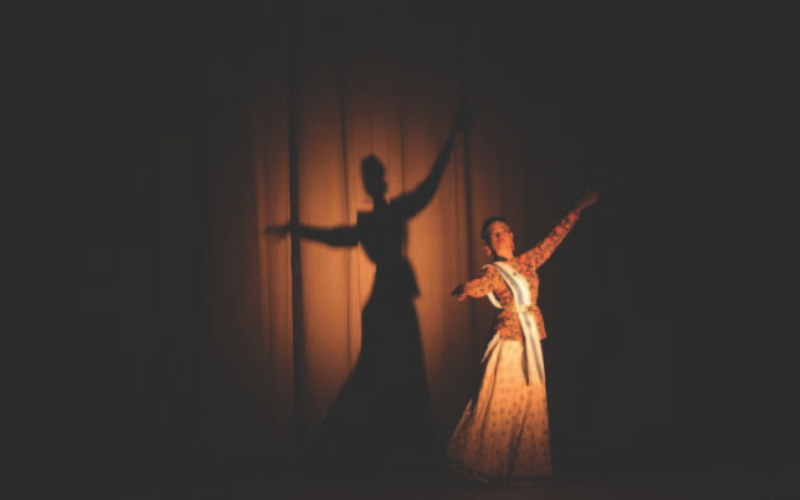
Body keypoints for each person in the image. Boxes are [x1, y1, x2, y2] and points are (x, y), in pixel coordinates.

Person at [446, 186, 600, 484]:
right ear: (488, 245)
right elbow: (482, 284)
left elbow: (552, 242)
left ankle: (519, 468)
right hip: (507, 340)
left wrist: (578, 208)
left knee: (527, 401)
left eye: (505, 230)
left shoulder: (527, 262)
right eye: (495, 233)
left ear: (513, 237)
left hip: (530, 339)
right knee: (499, 400)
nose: (502, 234)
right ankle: (483, 465)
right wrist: (467, 288)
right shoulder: (493, 270)